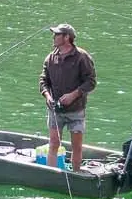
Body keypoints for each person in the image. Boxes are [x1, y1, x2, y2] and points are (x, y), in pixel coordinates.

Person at [39, 23, 95, 170]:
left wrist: (73, 95)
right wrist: (47, 97)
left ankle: (76, 174)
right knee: (53, 144)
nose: (53, 37)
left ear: (67, 37)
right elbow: (43, 81)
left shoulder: (82, 57)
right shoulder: (50, 58)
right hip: (55, 110)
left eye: (57, 34)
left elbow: (91, 82)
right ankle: (51, 175)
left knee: (77, 147)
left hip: (76, 110)